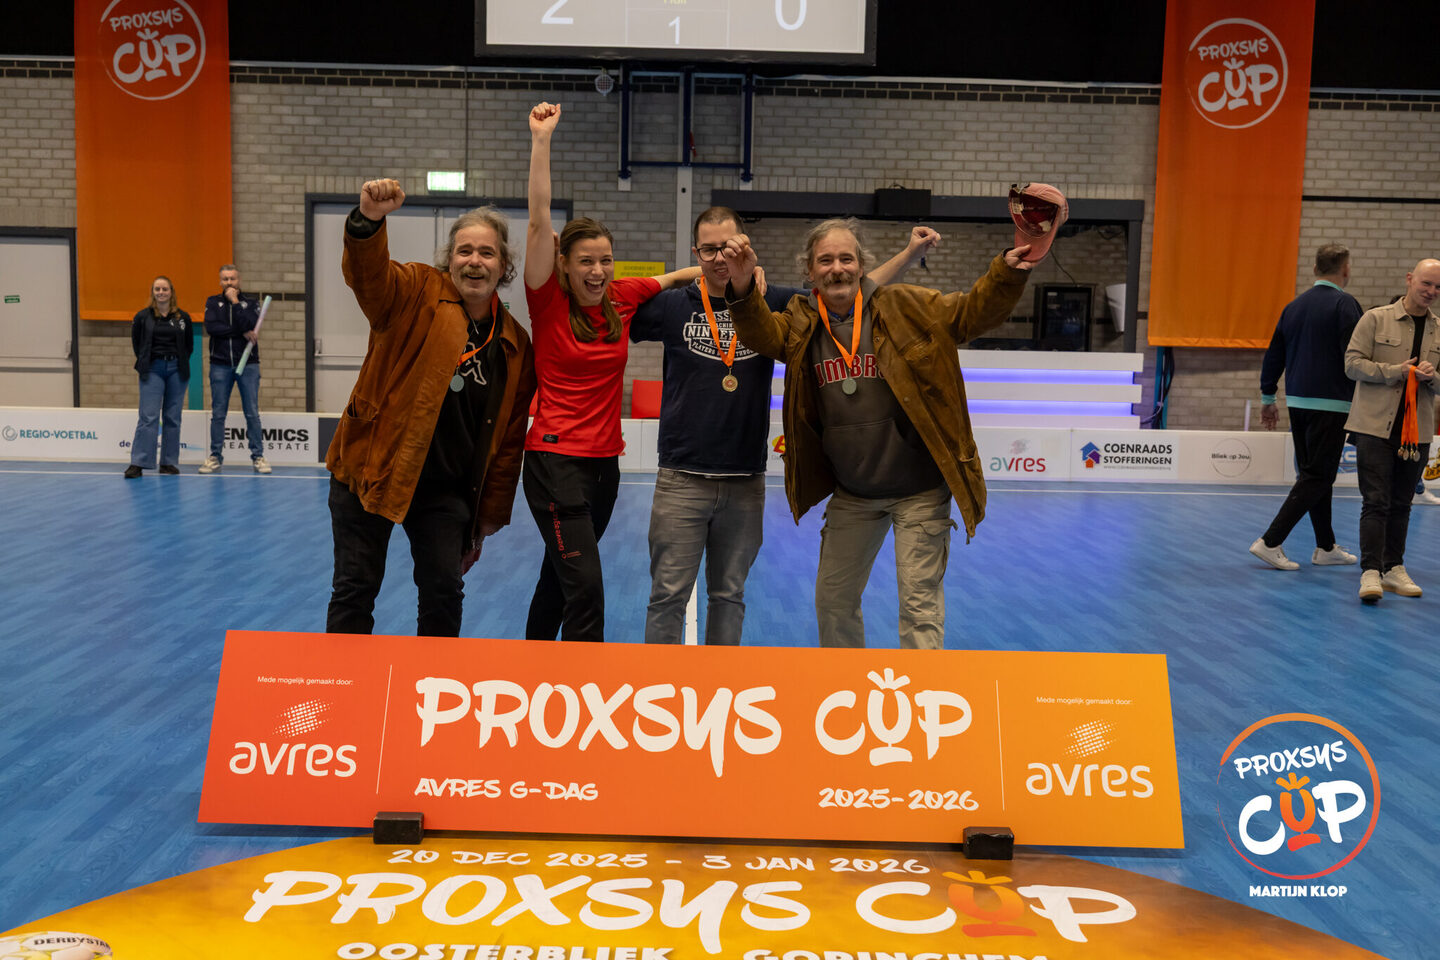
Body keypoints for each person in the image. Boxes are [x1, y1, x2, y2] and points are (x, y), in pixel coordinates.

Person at [724, 201, 1046, 648]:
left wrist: (1006, 272)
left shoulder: (907, 305)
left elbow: (971, 313)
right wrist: (742, 285)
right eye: (825, 260)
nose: (837, 268)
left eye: (846, 258)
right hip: (853, 493)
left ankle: (922, 690)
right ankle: (847, 684)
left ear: (862, 266)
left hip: (920, 491)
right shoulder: (800, 322)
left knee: (919, 608)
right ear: (810, 271)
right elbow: (761, 333)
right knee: (833, 601)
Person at [631, 207, 941, 645]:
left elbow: (851, 288)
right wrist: (675, 276)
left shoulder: (776, 302)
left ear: (745, 246)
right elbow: (615, 301)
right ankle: (660, 683)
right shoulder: (671, 306)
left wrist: (908, 255)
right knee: (666, 596)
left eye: (728, 247)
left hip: (744, 480)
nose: (720, 258)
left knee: (729, 596)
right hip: (681, 478)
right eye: (708, 250)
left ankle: (719, 680)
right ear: (696, 253)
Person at [522, 101, 700, 642]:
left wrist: (736, 272)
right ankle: (584, 686)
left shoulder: (621, 297)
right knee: (586, 591)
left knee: (558, 580)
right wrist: (541, 140)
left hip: (604, 468)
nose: (598, 271)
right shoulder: (547, 300)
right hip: (555, 461)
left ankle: (530, 666)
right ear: (564, 264)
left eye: (605, 260)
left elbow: (676, 277)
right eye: (586, 261)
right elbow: (538, 219)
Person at [326, 179, 536, 636]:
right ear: (449, 259)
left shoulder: (514, 344)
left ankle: (433, 681)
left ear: (503, 266)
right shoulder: (414, 290)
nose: (474, 261)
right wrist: (368, 222)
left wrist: (483, 521)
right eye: (465, 251)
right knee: (354, 589)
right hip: (371, 466)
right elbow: (368, 276)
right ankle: (344, 680)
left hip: (444, 491)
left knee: (444, 592)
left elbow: (507, 444)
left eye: (487, 253)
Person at [1247, 244, 1363, 570]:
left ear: (1315, 269)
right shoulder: (1345, 304)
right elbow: (1355, 358)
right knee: (1318, 476)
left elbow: (1274, 355)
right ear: (1346, 269)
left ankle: (1325, 547)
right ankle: (1270, 541)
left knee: (1315, 474)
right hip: (1332, 404)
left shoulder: (1293, 307)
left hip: (1297, 402)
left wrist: (1268, 398)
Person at [1345, 258, 1440, 602]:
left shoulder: (1439, 328)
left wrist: (1432, 377)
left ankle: (1394, 568)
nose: (1431, 291)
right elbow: (1352, 365)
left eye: (1438, 287)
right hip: (1374, 428)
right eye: (1426, 283)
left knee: (1402, 503)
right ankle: (1370, 571)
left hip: (1417, 433)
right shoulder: (1375, 318)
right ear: (1410, 279)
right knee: (1376, 501)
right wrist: (1394, 371)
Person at [200, 263, 270, 474]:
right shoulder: (212, 302)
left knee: (252, 413)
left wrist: (236, 303)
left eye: (232, 278)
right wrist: (240, 332)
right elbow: (212, 328)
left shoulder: (250, 303)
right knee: (218, 413)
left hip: (248, 364)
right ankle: (215, 456)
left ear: (239, 280)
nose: (229, 282)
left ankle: (258, 457)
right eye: (225, 279)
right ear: (220, 281)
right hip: (220, 365)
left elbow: (250, 324)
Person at [125, 275, 194, 479]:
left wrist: (177, 361)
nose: (161, 293)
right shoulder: (142, 317)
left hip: (177, 370)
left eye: (165, 289)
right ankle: (138, 462)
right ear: (153, 292)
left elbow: (189, 345)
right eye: (157, 289)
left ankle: (168, 462)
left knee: (173, 417)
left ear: (171, 292)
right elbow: (137, 344)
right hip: (152, 369)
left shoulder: (183, 318)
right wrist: (148, 360)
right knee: (148, 417)